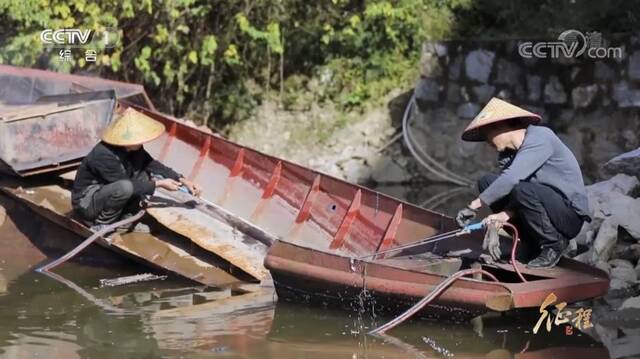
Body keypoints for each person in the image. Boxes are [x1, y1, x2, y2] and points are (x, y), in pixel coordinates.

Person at [455, 98, 590, 268]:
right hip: (536, 204)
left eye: (486, 134)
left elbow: (513, 180)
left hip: (567, 216)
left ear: (501, 126)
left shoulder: (541, 137)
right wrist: (501, 216)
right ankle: (529, 244)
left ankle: (553, 245)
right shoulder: (507, 156)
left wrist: (473, 206)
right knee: (488, 182)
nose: (486, 141)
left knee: (521, 189)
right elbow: (517, 196)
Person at [72, 108, 201, 233]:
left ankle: (125, 220)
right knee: (125, 187)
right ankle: (101, 224)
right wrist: (159, 184)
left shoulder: (134, 148)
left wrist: (182, 179)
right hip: (86, 203)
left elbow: (152, 164)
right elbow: (126, 185)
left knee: (144, 174)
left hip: (105, 191)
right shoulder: (104, 154)